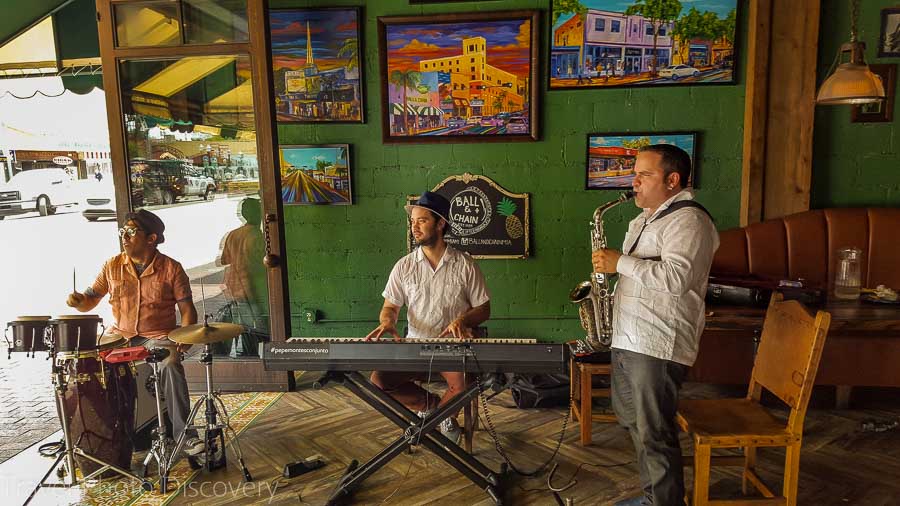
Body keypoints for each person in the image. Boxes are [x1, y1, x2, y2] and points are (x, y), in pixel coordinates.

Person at [592, 144, 719, 506]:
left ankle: (665, 502)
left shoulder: (689, 221)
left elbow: (677, 278)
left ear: (672, 179)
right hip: (630, 337)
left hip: (657, 343)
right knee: (635, 424)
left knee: (655, 433)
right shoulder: (645, 218)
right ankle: (653, 498)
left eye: (643, 175)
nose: (634, 182)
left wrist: (620, 263)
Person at [66, 209, 205, 456]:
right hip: (120, 337)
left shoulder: (172, 268)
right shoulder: (112, 265)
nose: (124, 236)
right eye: (123, 232)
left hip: (158, 336)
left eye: (131, 231)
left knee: (171, 365)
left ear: (151, 238)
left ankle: (185, 436)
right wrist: (78, 301)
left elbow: (187, 309)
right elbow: (89, 300)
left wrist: (185, 337)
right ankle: (101, 438)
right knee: (87, 369)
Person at [366, 191, 491, 443]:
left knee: (465, 382)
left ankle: (444, 416)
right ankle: (435, 408)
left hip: (453, 349)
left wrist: (464, 320)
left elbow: (484, 309)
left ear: (440, 223)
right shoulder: (404, 266)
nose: (414, 227)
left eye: (421, 220)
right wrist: (387, 320)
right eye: (413, 221)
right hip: (416, 345)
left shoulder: (465, 264)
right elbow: (390, 307)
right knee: (378, 380)